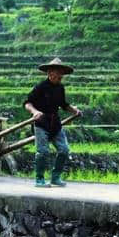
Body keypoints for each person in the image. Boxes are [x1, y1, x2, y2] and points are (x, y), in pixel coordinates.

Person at [24, 57, 81, 187]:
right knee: (43, 151)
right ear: (50, 73)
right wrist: (34, 112)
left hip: (55, 123)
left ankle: (55, 177)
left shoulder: (60, 88)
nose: (60, 75)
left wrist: (74, 111)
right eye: (57, 72)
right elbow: (27, 103)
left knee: (64, 150)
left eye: (62, 73)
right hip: (41, 123)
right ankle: (39, 179)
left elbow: (64, 105)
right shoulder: (40, 87)